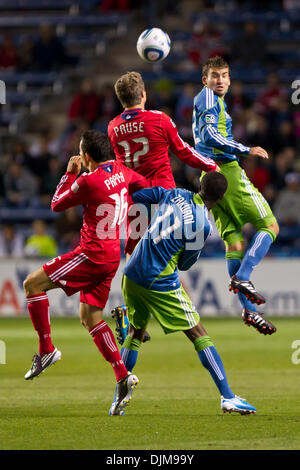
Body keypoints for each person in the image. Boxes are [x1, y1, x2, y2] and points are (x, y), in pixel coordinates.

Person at [109, 171, 257, 416]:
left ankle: (117, 399)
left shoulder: (175, 193)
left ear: (200, 185)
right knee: (199, 333)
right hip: (158, 278)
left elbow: (141, 196)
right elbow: (186, 264)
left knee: (136, 331)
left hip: (132, 270)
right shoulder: (202, 224)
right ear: (220, 199)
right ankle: (228, 397)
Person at [23, 130, 148, 416]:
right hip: (111, 257)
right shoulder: (122, 170)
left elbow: (56, 204)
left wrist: (69, 173)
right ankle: (122, 376)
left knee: (32, 284)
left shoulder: (89, 180)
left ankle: (46, 350)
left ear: (87, 156)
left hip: (90, 255)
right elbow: (141, 185)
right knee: (90, 317)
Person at [108, 71, 218, 343]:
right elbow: (184, 151)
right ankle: (189, 323)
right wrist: (211, 166)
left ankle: (133, 319)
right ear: (143, 94)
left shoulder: (112, 127)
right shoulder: (159, 119)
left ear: (121, 99)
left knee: (136, 260)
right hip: (165, 200)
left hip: (135, 201)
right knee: (167, 262)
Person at [192, 56, 278, 335]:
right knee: (270, 225)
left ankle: (249, 311)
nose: (220, 80)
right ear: (205, 80)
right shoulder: (207, 98)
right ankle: (243, 277)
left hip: (209, 176)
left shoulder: (213, 100)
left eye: (224, 75)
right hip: (225, 173)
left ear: (230, 79)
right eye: (214, 75)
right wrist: (245, 149)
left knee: (234, 241)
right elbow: (209, 135)